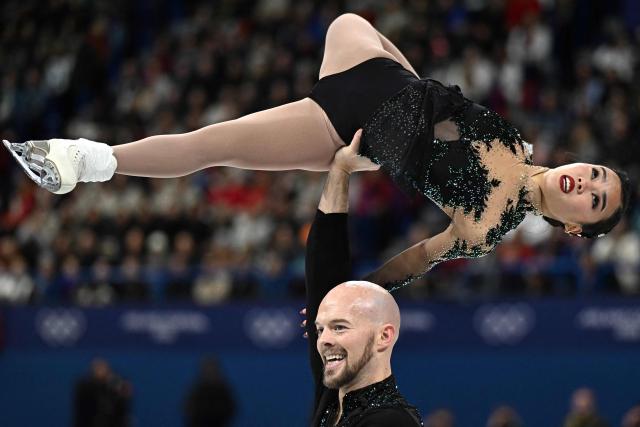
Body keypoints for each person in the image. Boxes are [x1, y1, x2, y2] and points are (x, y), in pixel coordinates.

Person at [4, 13, 630, 290]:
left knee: (212, 146)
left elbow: (415, 260)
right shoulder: (520, 143)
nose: (588, 183)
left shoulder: (491, 225)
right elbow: (445, 115)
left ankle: (84, 161)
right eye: (597, 173)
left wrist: (357, 292)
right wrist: (406, 114)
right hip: (375, 82)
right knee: (350, 21)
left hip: (348, 126)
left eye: (597, 202)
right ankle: (88, 160)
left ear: (576, 227)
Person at [304, 132, 422, 426]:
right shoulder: (335, 401)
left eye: (340, 328)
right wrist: (341, 170)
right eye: (320, 330)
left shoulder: (390, 422)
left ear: (384, 336)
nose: (324, 341)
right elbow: (323, 271)